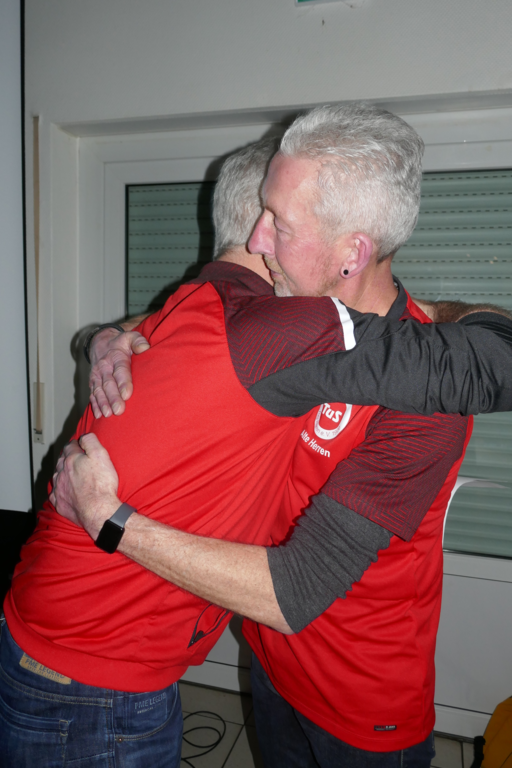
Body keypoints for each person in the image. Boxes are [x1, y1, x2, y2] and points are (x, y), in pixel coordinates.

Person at [3, 110, 512, 768]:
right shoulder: (277, 325)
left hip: (359, 700)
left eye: (280, 223)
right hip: (270, 666)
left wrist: (110, 519)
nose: (256, 238)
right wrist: (105, 338)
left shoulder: (424, 394)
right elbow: (195, 327)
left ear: (352, 253)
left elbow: (296, 589)